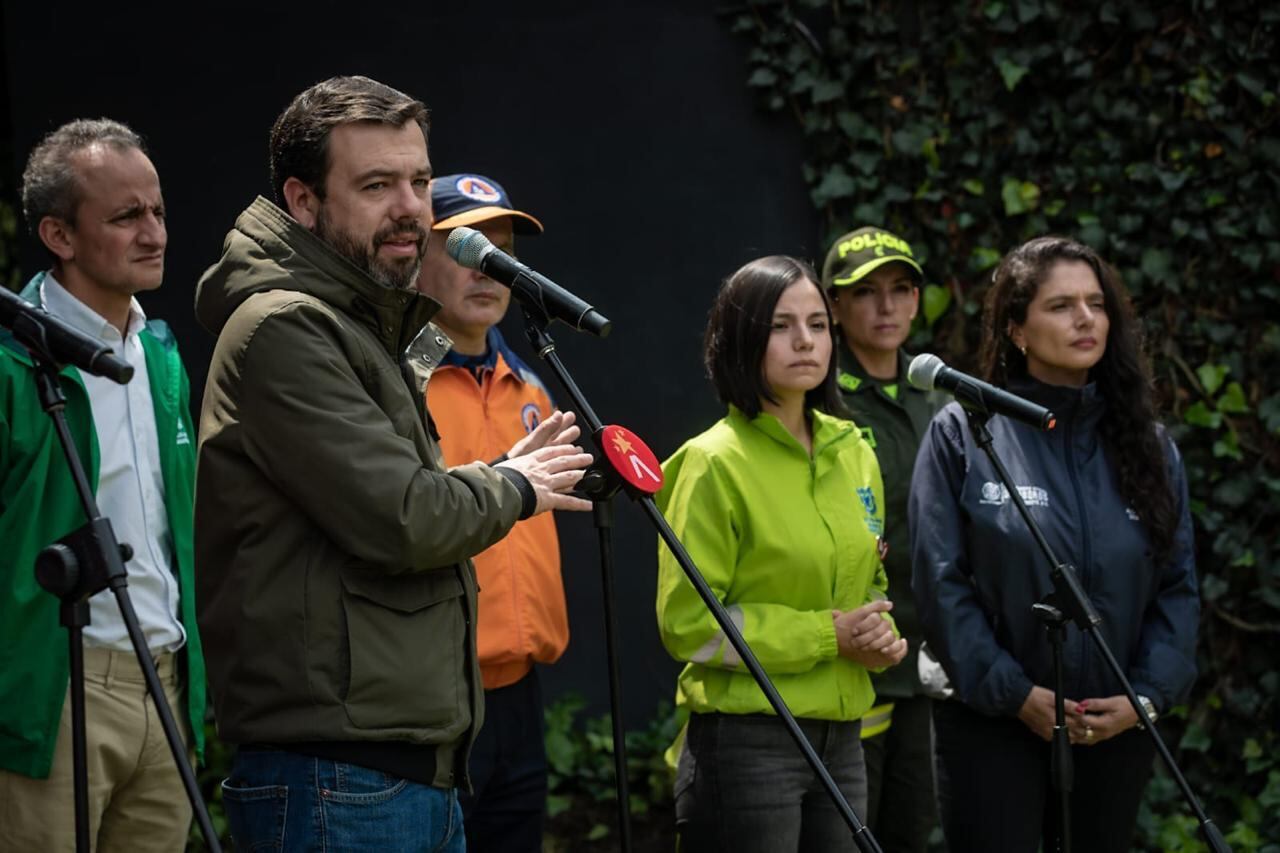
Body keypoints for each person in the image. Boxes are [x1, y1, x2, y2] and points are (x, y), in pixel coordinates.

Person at [193, 76, 592, 852]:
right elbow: (403, 514)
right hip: (339, 766)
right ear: (302, 201)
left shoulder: (391, 333)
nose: (410, 205)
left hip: (431, 737)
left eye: (416, 181)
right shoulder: (294, 328)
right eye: (377, 184)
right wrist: (515, 482)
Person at [909, 236, 1199, 852]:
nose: (1087, 318)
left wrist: (1143, 696)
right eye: (1062, 305)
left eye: (1096, 303)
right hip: (992, 724)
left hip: (1113, 725)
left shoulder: (1149, 445)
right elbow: (940, 580)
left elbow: (1177, 586)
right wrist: (1015, 695)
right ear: (1017, 328)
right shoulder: (962, 433)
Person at [655, 255, 907, 852]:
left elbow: (864, 582)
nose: (805, 341)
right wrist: (828, 636)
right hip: (747, 744)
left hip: (844, 739)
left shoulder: (855, 454)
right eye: (780, 325)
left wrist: (877, 633)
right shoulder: (712, 462)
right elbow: (689, 624)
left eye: (818, 324)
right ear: (741, 340)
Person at [0, 118, 205, 852]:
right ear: (59, 235)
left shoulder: (159, 350)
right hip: (55, 689)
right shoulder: (10, 360)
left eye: (156, 211)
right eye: (126, 217)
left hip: (167, 681)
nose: (154, 233)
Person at [414, 173, 566, 851]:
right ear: (417, 255)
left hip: (522, 686)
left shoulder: (528, 381)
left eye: (500, 252)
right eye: (468, 248)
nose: (489, 270)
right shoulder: (399, 380)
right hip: (436, 692)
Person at [820, 226, 945, 851]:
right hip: (856, 651)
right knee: (851, 833)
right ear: (834, 308)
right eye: (865, 292)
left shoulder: (943, 397)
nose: (887, 306)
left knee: (914, 830)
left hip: (933, 658)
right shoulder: (820, 400)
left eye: (901, 289)